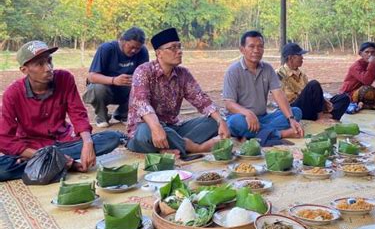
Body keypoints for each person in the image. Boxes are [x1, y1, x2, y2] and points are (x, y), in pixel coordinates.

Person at [0, 41, 122, 182]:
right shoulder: (13, 93)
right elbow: (3, 138)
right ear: (24, 70)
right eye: (40, 64)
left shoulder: (65, 78)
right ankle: (63, 163)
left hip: (63, 142)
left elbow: (78, 114)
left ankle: (47, 165)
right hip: (32, 147)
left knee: (111, 138)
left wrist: (87, 144)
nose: (48, 68)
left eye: (49, 61)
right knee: (2, 168)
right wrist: (37, 155)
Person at [127, 28, 230, 156]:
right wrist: (156, 127)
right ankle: (196, 148)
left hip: (173, 129)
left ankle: (172, 147)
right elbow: (142, 104)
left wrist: (221, 121)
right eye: (173, 48)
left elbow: (201, 99)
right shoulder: (143, 71)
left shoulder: (183, 74)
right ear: (159, 53)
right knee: (144, 133)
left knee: (215, 121)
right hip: (147, 128)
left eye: (180, 47)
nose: (179, 51)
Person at [222, 31, 304, 143]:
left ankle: (255, 134)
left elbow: (278, 94)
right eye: (251, 46)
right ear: (242, 49)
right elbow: (229, 104)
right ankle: (280, 134)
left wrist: (291, 119)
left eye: (260, 46)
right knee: (235, 123)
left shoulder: (268, 69)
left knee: (296, 112)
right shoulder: (233, 71)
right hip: (243, 118)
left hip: (263, 119)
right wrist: (248, 113)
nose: (256, 50)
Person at [83, 27, 149, 127]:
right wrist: (114, 80)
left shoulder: (143, 52)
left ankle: (123, 114)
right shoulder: (107, 49)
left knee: (143, 85)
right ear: (122, 40)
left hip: (126, 90)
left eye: (137, 48)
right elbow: (92, 76)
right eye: (131, 46)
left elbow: (145, 76)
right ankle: (101, 116)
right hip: (106, 89)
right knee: (97, 88)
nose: (134, 50)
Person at [276, 42, 350, 121]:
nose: (302, 58)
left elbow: (310, 94)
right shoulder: (279, 74)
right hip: (294, 109)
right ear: (290, 58)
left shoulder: (302, 74)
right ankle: (321, 116)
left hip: (309, 107)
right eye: (300, 55)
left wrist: (323, 100)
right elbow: (289, 98)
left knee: (344, 98)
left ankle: (327, 116)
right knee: (314, 84)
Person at [339, 42, 375, 111]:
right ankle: (367, 106)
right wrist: (372, 64)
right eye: (366, 52)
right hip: (349, 94)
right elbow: (367, 81)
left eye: (372, 52)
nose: (370, 55)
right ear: (360, 54)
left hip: (364, 93)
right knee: (366, 90)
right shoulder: (356, 66)